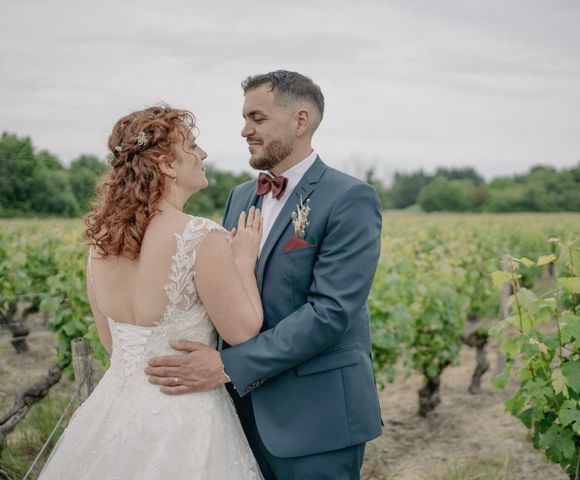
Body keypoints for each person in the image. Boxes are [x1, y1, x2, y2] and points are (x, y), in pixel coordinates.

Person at [146, 70, 383, 479]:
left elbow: (329, 313)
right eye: (244, 119)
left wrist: (226, 365)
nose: (244, 130)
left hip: (316, 418)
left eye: (257, 118)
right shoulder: (240, 196)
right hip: (235, 415)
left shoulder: (349, 198)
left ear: (300, 120)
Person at [39, 105, 264, 479]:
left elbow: (113, 345)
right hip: (184, 415)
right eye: (192, 146)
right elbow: (242, 331)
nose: (203, 154)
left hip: (112, 411)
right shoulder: (201, 237)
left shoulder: (101, 245)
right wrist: (243, 260)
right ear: (167, 165)